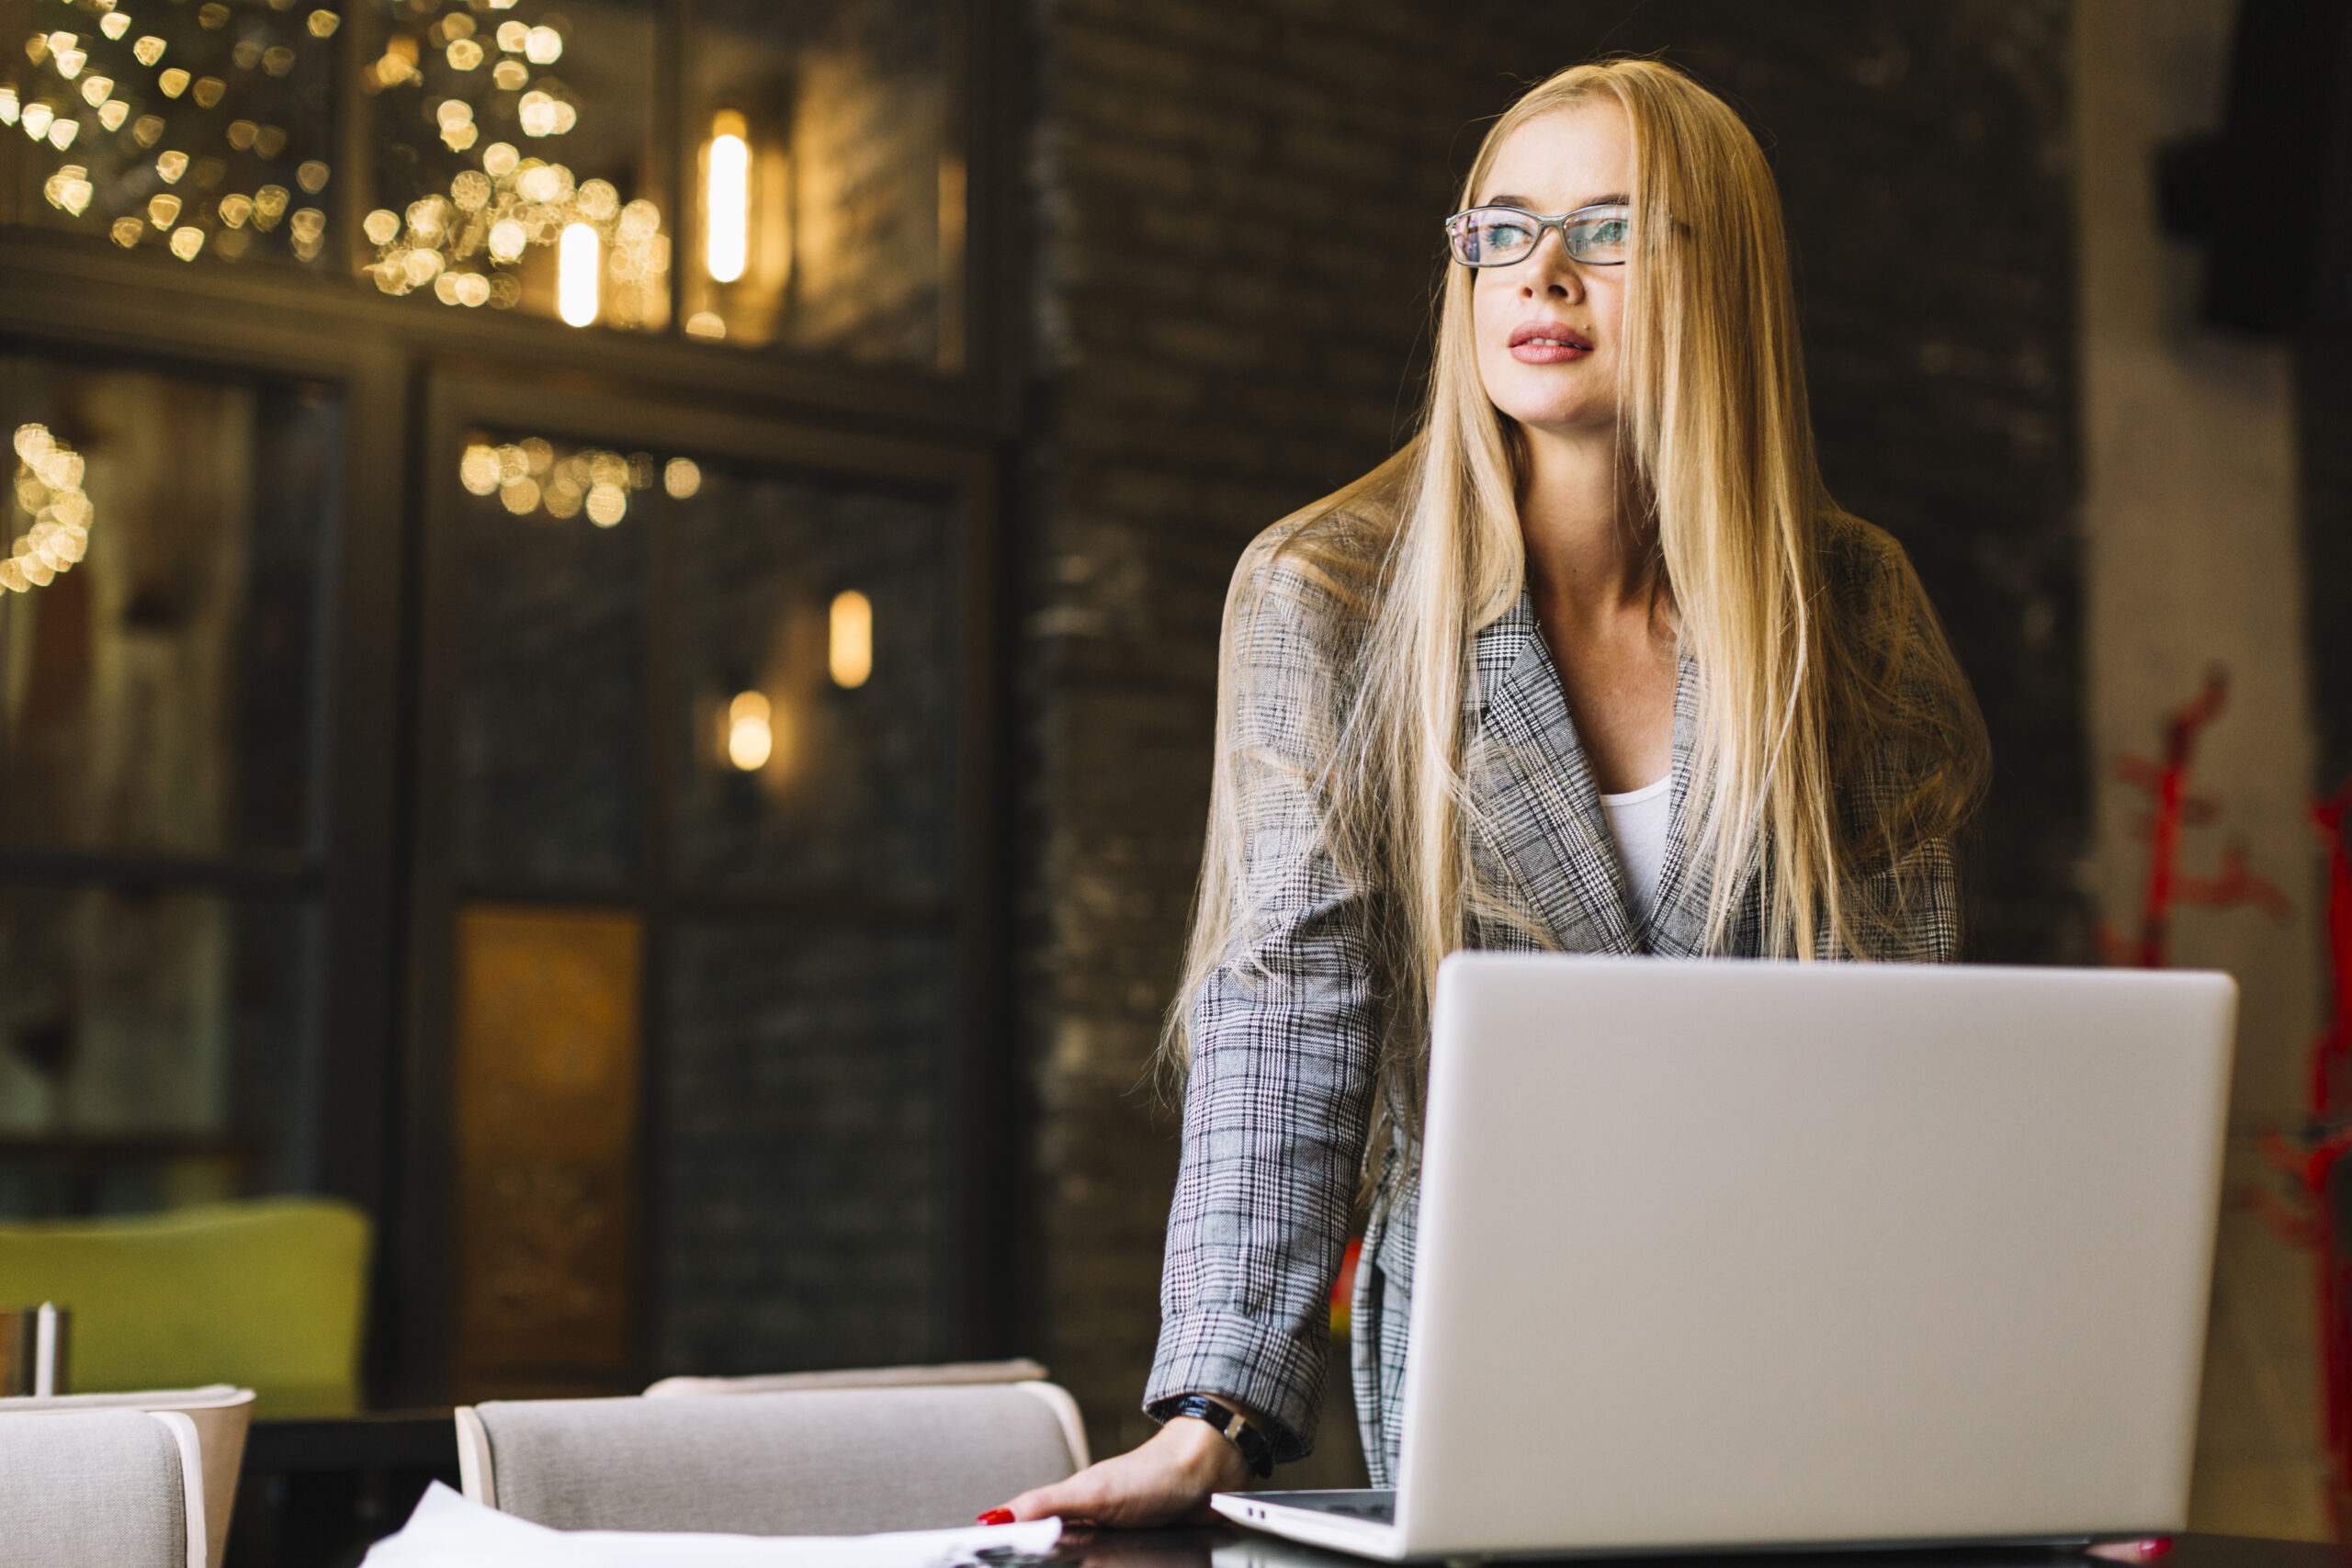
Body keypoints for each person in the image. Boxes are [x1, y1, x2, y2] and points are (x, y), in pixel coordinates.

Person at [992, 56, 1988, 1527]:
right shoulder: (1325, 589)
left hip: (1807, 1357)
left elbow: (1904, 1053)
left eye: (1607, 230)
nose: (1543, 273)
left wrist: (2007, 1415)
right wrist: (1215, 1410)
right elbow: (1290, 1006)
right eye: (1502, 230)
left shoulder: (1852, 605)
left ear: (1725, 281)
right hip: (1496, 1356)